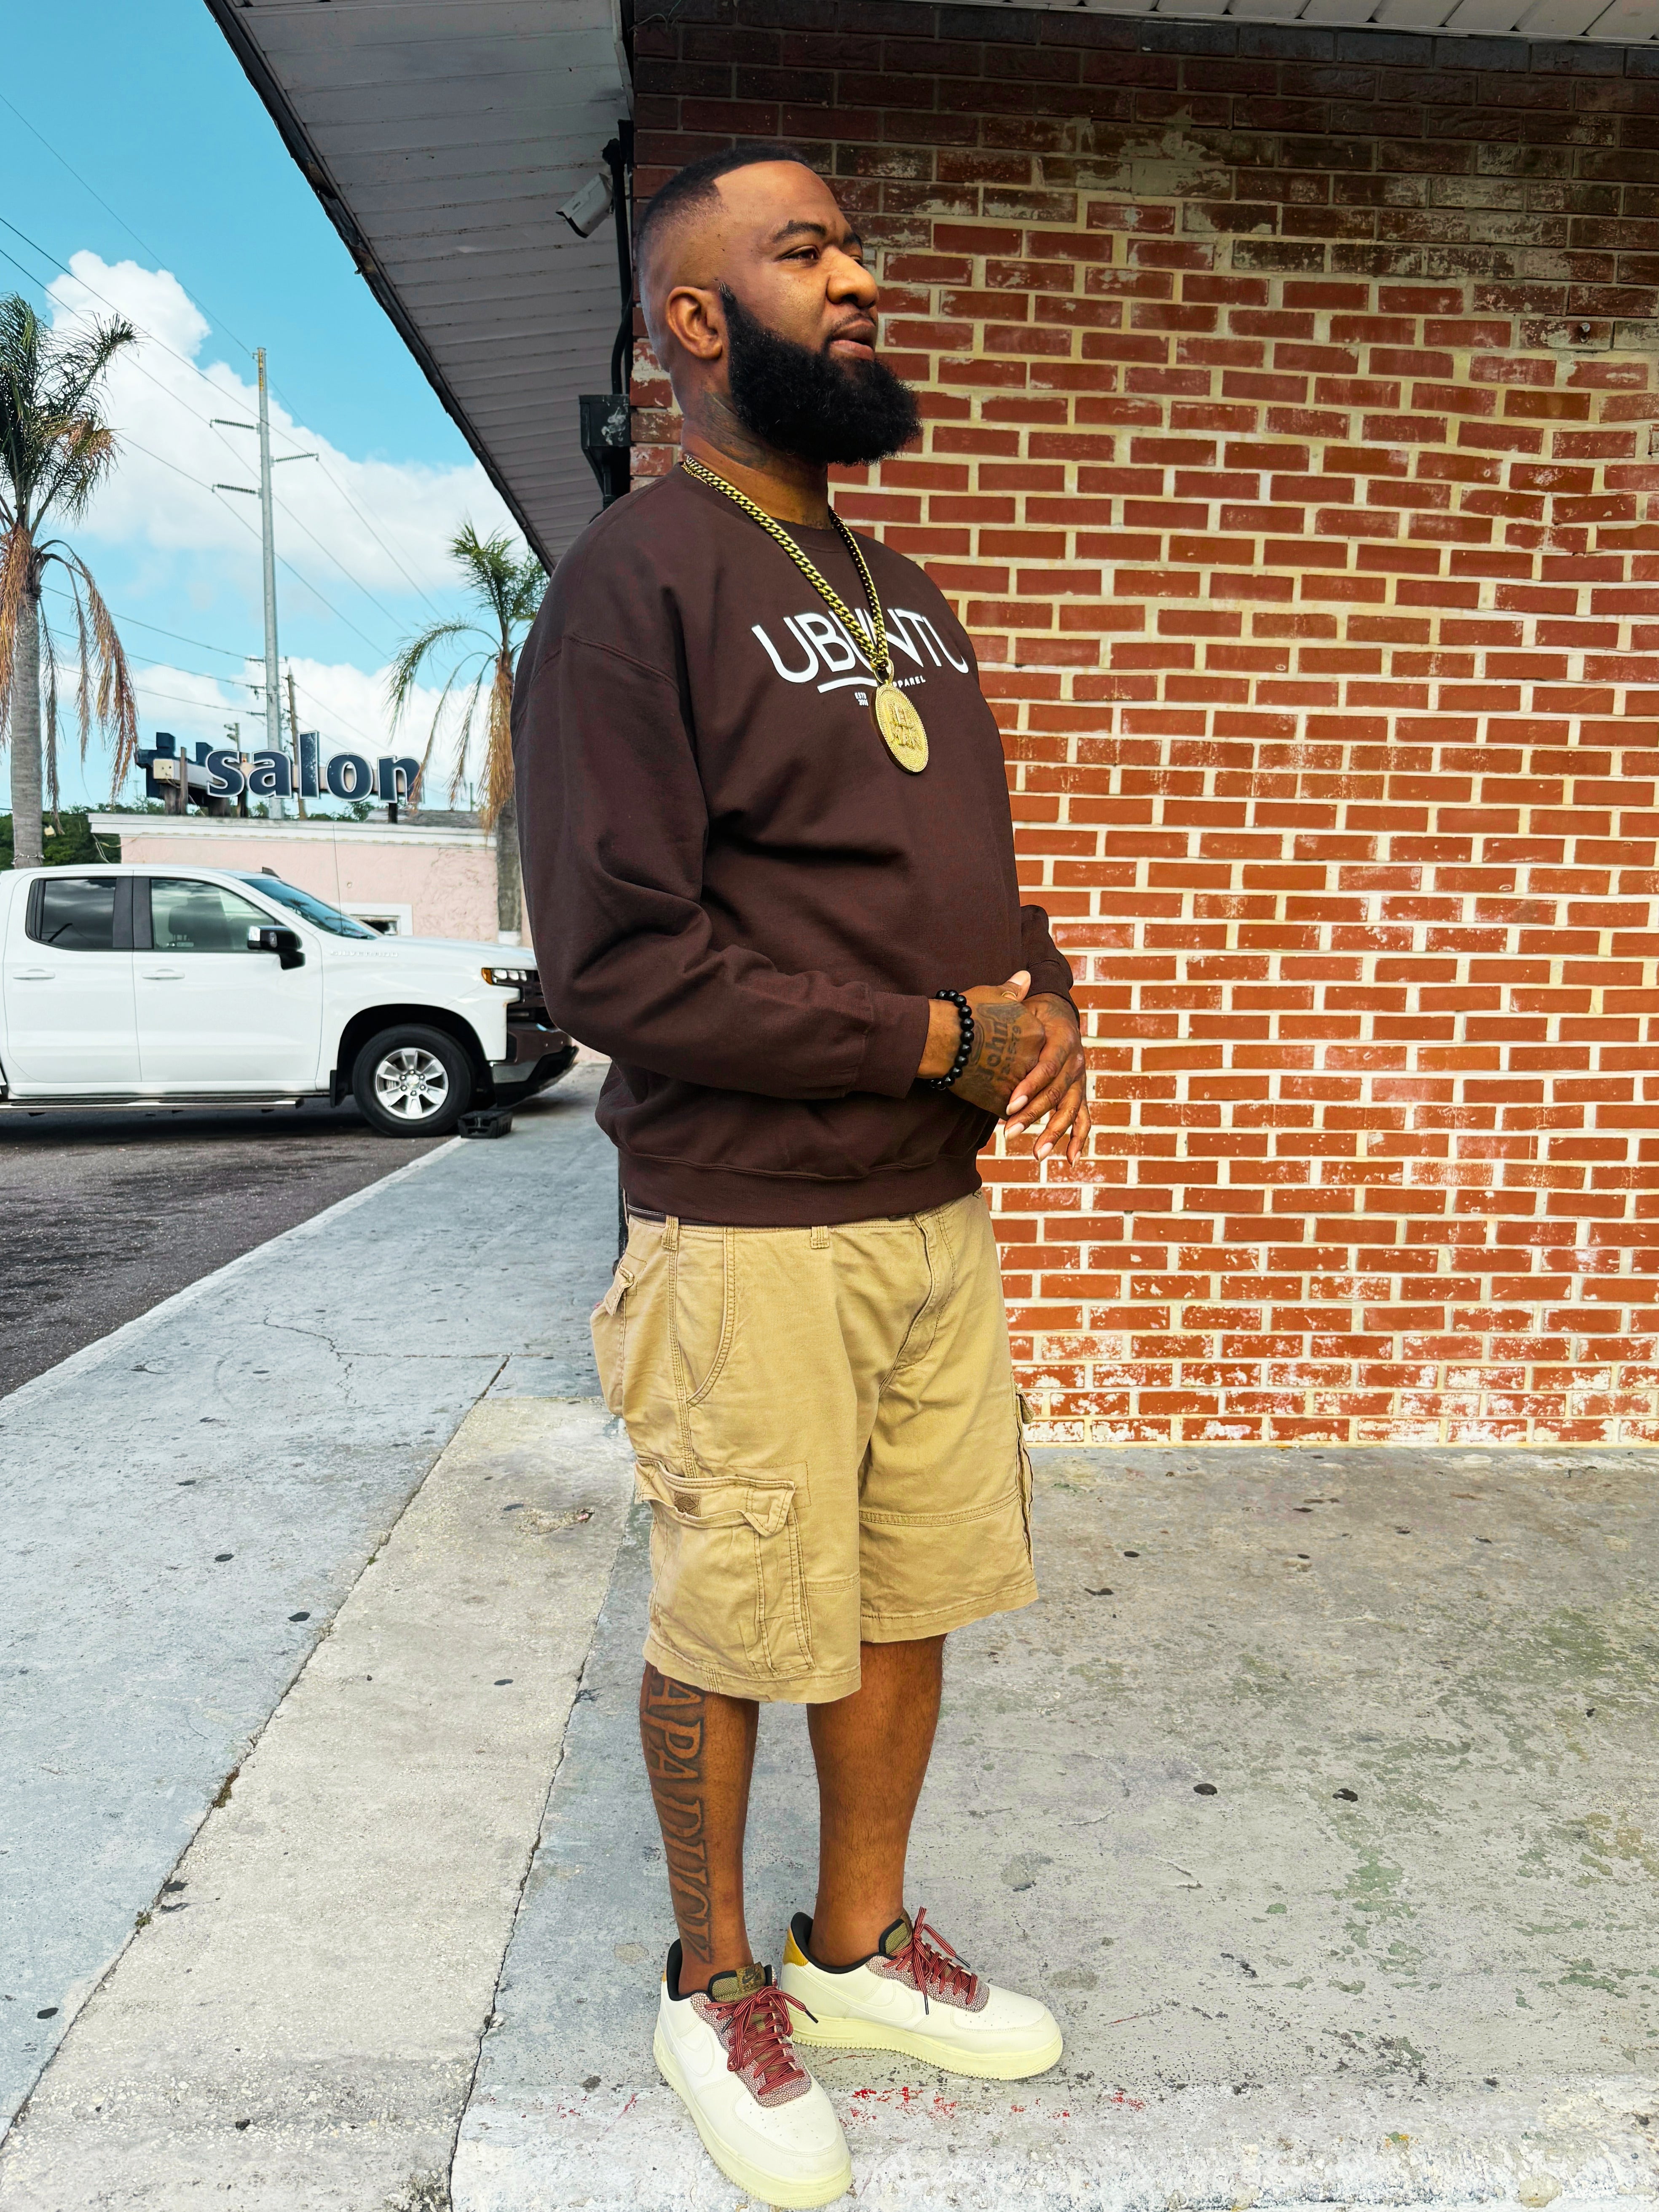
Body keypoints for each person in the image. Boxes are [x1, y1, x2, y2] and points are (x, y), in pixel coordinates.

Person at [512, 142, 1090, 2210]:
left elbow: (954, 877)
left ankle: (854, 1950)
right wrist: (931, 1040)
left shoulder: (897, 587)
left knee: (913, 1589)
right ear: (694, 321)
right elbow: (616, 964)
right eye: (804, 251)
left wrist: (1046, 991)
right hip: (750, 1226)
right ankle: (714, 1981)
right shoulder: (635, 584)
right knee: (742, 1609)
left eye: (853, 247)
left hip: (928, 1215)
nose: (857, 280)